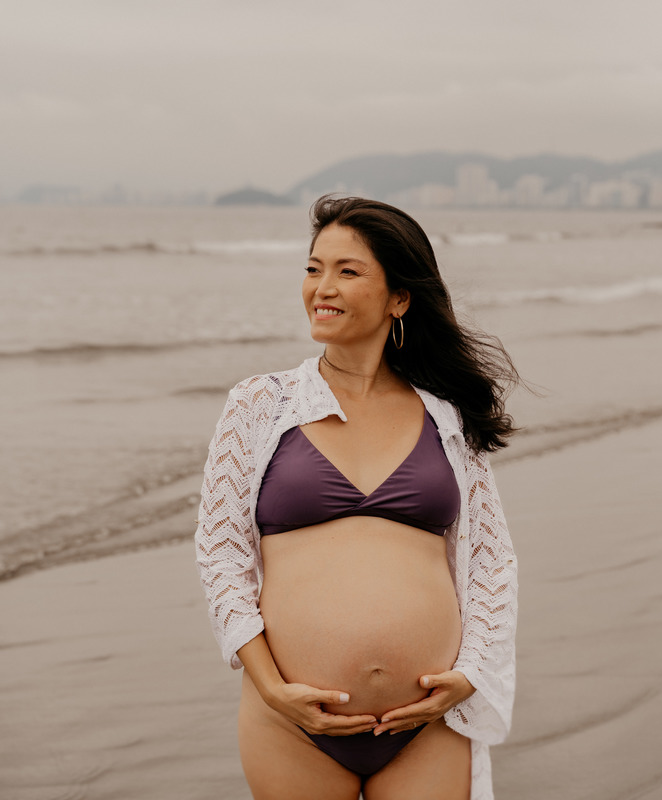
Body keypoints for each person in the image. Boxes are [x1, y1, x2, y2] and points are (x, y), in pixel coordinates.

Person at [195, 195, 519, 800]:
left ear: (399, 298)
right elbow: (221, 557)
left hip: (427, 721)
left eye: (348, 271)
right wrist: (270, 687)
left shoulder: (445, 418)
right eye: (314, 268)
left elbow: (490, 562)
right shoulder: (260, 406)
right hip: (292, 725)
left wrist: (471, 674)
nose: (322, 287)